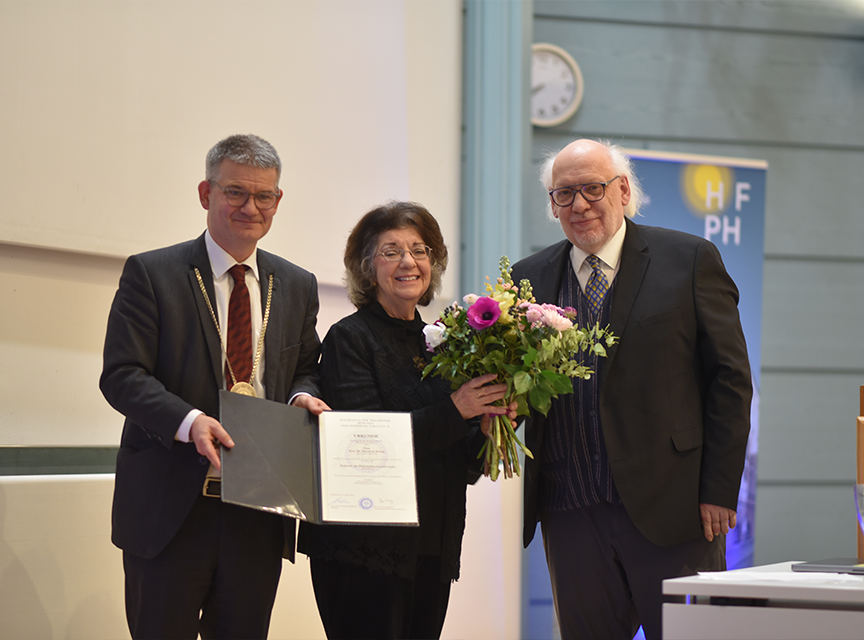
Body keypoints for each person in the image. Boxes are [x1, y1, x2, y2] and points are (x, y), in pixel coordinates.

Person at [511, 139, 752, 640]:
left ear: (622, 190)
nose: (579, 205)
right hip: (570, 513)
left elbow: (729, 379)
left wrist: (719, 489)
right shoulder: (527, 280)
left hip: (678, 510)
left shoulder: (688, 259)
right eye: (564, 194)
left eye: (593, 189)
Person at [100, 134, 329, 639]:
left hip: (258, 509)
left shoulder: (296, 284)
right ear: (206, 194)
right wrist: (189, 422)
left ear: (277, 202)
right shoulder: (153, 273)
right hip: (171, 510)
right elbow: (122, 375)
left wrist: (299, 398)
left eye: (263, 196)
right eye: (235, 193)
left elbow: (304, 367)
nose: (250, 207)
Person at [297, 201, 514, 640]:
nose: (408, 262)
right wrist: (457, 410)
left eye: (420, 250)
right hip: (364, 550)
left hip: (433, 542)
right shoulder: (350, 339)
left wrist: (488, 431)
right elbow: (367, 447)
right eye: (391, 251)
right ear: (367, 267)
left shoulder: (445, 343)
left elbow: (463, 466)